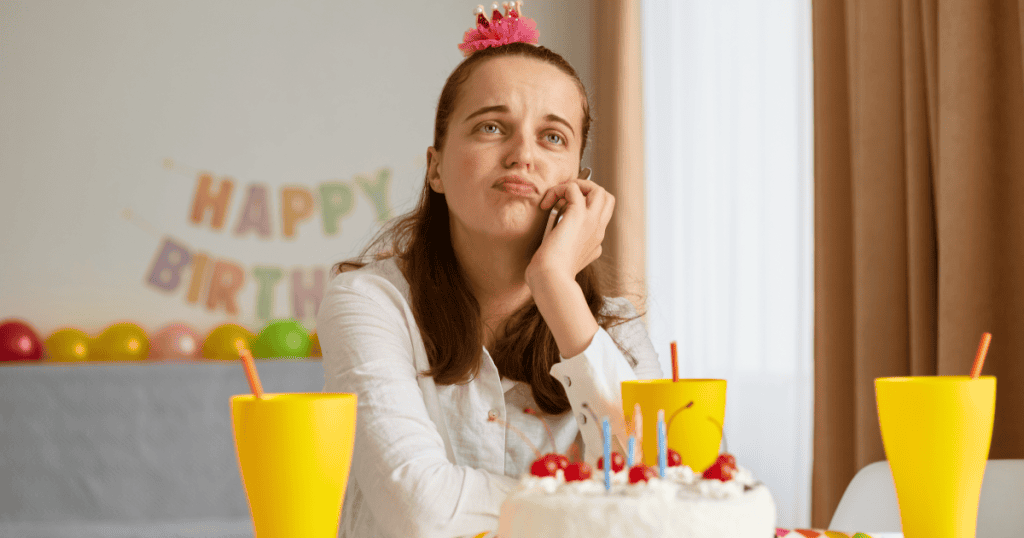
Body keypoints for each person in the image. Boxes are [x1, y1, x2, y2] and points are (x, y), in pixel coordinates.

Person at [317, 4, 663, 537]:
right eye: (492, 127)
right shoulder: (367, 302)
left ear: (577, 178)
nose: (522, 154)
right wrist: (600, 508)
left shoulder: (611, 325)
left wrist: (555, 287)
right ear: (435, 168)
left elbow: (661, 493)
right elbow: (419, 511)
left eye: (553, 137)